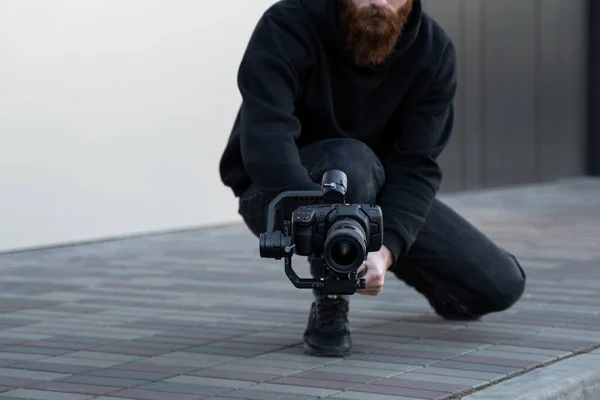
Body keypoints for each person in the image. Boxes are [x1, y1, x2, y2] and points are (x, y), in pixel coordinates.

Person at [219, 0, 526, 357]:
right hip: (276, 196)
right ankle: (331, 296)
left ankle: (378, 260)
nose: (379, 2)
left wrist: (386, 250)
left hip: (375, 194)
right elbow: (267, 139)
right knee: (350, 164)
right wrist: (315, 223)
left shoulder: (434, 52)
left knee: (500, 286)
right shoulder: (287, 24)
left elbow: (416, 166)